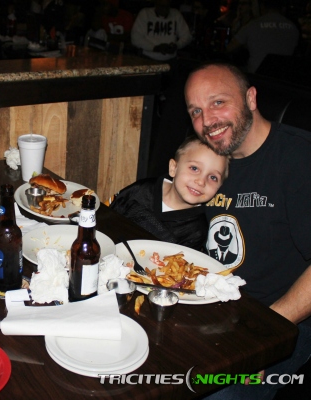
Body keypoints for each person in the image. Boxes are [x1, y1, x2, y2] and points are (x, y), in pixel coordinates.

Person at [184, 62, 311, 399]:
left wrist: (263, 332)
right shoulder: (210, 159)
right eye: (196, 111)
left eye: (218, 102)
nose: (207, 121)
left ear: (251, 98)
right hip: (214, 307)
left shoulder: (299, 158)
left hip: (283, 321)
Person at [109, 135, 228, 251]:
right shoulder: (141, 190)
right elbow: (106, 216)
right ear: (173, 168)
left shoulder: (197, 230)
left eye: (213, 177)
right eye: (194, 168)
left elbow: (179, 261)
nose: (201, 182)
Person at [226, 0, 299, 73]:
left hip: (257, 75)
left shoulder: (253, 25)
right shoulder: (293, 28)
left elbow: (229, 48)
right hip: (283, 76)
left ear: (261, 7)